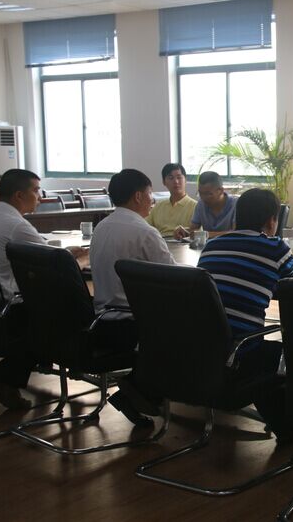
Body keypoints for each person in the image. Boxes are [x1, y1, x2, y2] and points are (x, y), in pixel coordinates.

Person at [197, 188, 293, 442]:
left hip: (199, 350)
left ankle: (284, 429)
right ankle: (292, 431)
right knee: (290, 354)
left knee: (261, 349)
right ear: (272, 221)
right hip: (237, 356)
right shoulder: (274, 247)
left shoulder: (212, 244)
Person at [0, 169, 88, 410]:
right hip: (8, 310)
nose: (40, 196)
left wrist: (64, 254)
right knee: (61, 315)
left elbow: (43, 253)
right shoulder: (16, 224)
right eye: (36, 191)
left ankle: (3, 379)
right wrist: (83, 260)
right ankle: (0, 378)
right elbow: (55, 267)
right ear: (19, 195)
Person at [90, 169, 175, 426]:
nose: (152, 200)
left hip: (100, 320)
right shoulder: (144, 232)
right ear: (138, 196)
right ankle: (139, 390)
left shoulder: (102, 226)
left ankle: (136, 391)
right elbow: (174, 278)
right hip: (131, 326)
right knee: (188, 326)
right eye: (150, 194)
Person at [174, 171, 236, 239]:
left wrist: (208, 234)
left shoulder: (236, 205)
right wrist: (184, 231)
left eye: (208, 194)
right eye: (200, 193)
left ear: (220, 191)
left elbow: (237, 232)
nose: (203, 198)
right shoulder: (201, 204)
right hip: (208, 245)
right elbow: (194, 229)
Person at [145, 163, 196, 236]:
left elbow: (198, 234)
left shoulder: (195, 206)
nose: (176, 181)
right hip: (160, 241)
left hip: (183, 242)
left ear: (185, 180)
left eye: (179, 177)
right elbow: (146, 228)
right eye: (171, 178)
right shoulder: (158, 207)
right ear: (164, 182)